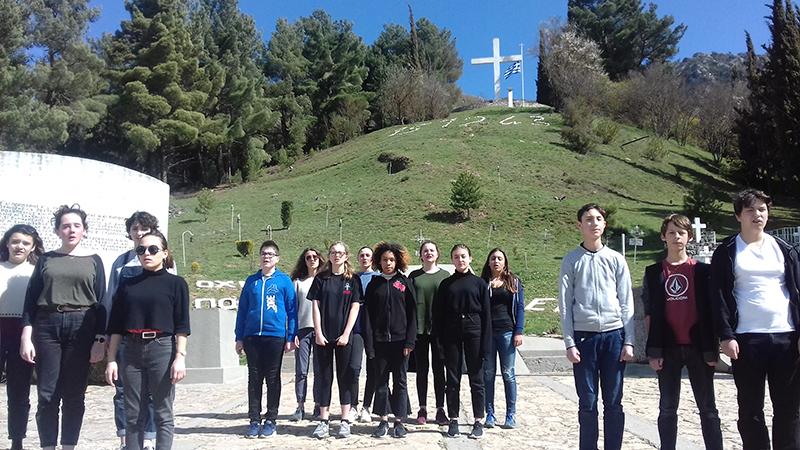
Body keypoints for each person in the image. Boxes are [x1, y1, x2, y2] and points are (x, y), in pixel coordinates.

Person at [711, 189, 800, 449]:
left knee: (788, 407)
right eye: (750, 210)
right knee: (750, 409)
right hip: (747, 340)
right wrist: (726, 335)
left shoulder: (784, 249)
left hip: (786, 337)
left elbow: (797, 290)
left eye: (762, 209)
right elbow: (718, 296)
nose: (757, 215)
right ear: (738, 215)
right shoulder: (727, 251)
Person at [20, 205, 108, 450]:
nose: (71, 230)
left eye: (76, 225)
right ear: (58, 230)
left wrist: (100, 339)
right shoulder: (46, 259)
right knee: (47, 393)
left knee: (74, 393)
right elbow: (31, 300)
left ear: (84, 230)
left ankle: (69, 445)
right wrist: (26, 336)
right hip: (47, 325)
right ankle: (48, 445)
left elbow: (101, 302)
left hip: (83, 326)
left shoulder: (94, 260)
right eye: (66, 225)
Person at [557, 203, 634, 450]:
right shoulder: (571, 260)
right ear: (580, 225)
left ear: (605, 224)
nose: (594, 223)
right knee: (587, 402)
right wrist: (569, 342)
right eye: (588, 219)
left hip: (613, 336)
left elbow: (626, 301)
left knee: (613, 401)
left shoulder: (616, 259)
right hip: (584, 338)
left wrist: (629, 340)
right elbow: (566, 303)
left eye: (598, 218)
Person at [642, 214, 722, 450]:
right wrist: (652, 350)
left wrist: (713, 348)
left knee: (708, 408)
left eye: (681, 232)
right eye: (671, 232)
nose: (676, 237)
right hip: (667, 347)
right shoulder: (654, 272)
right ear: (663, 237)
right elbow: (649, 313)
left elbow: (712, 311)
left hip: (699, 346)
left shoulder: (702, 271)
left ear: (689, 237)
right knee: (667, 407)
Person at [105, 230, 190, 450]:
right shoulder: (127, 284)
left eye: (153, 249)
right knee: (133, 413)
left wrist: (180, 357)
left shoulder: (176, 284)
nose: (147, 254)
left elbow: (182, 326)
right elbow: (115, 326)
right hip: (131, 350)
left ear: (164, 253)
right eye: (141, 250)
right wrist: (111, 359)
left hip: (162, 348)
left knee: (163, 411)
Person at [105, 212, 163, 450]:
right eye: (135, 228)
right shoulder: (121, 262)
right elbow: (110, 299)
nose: (139, 233)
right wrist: (107, 334)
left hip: (156, 336)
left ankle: (148, 438)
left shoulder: (162, 259)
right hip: (126, 336)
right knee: (122, 391)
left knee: (150, 391)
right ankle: (125, 439)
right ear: (129, 232)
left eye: (144, 228)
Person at [233, 240, 297, 438]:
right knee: (254, 379)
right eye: (263, 253)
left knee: (272, 378)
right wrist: (239, 336)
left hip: (275, 336)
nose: (266, 256)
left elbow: (292, 311)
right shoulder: (251, 281)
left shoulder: (284, 281)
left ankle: (271, 419)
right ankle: (254, 420)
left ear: (277, 258)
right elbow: (242, 310)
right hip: (252, 337)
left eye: (270, 254)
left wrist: (290, 336)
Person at [432, 244, 490, 440]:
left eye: (464, 256)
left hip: (474, 330)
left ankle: (478, 420)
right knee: (453, 379)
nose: (460, 260)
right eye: (456, 257)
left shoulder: (480, 284)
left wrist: (485, 343)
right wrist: (439, 343)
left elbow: (487, 316)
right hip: (451, 332)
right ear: (452, 260)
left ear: (470, 258)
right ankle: (454, 419)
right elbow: (437, 316)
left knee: (476, 378)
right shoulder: (446, 284)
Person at [308, 241, 362, 439]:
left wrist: (347, 333)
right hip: (323, 336)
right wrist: (318, 332)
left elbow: (355, 307)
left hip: (344, 336)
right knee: (324, 377)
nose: (336, 255)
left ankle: (345, 420)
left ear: (346, 256)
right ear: (329, 256)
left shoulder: (353, 279)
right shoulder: (321, 278)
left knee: (345, 377)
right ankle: (323, 420)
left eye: (340, 252)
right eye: (333, 252)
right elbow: (315, 306)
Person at [363, 242, 417, 439]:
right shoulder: (374, 284)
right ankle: (383, 420)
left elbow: (412, 315)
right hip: (379, 342)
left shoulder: (404, 283)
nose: (388, 263)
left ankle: (399, 421)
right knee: (381, 381)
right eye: (385, 260)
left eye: (392, 260)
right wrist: (369, 344)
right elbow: (366, 316)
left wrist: (410, 342)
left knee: (400, 381)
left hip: (400, 342)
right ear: (379, 261)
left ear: (398, 261)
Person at [0, 224, 44, 450]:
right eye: (15, 241)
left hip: (24, 333)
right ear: (7, 243)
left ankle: (17, 439)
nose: (20, 246)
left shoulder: (37, 271)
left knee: (19, 391)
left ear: (33, 246)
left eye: (26, 243)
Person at [480, 247, 525, 429]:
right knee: (488, 374)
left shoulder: (513, 281)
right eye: (493, 258)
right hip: (488, 333)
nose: (496, 261)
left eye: (499, 258)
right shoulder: (483, 283)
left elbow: (520, 307)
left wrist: (519, 331)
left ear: (505, 261)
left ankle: (510, 415)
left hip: (507, 332)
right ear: (488, 262)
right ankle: (489, 414)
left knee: (508, 374)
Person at [408, 240, 449, 426]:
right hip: (419, 328)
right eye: (425, 251)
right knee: (422, 370)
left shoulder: (445, 276)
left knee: (439, 370)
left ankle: (441, 409)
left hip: (440, 329)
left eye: (432, 250)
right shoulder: (414, 276)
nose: (428, 253)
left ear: (437, 254)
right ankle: (422, 407)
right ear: (421, 254)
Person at [290, 247, 324, 422]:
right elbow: (293, 309)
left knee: (320, 370)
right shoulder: (298, 282)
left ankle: (318, 405)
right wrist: (292, 332)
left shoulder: (325, 280)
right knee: (301, 370)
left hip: (320, 331)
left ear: (319, 258)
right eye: (308, 257)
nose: (312, 259)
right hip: (303, 329)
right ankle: (300, 405)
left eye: (314, 256)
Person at [354, 245, 378, 423]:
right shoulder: (352, 278)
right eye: (361, 255)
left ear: (372, 259)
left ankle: (367, 407)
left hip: (374, 330)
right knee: (353, 368)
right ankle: (353, 405)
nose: (364, 258)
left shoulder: (377, 278)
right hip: (355, 329)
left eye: (367, 255)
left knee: (373, 370)